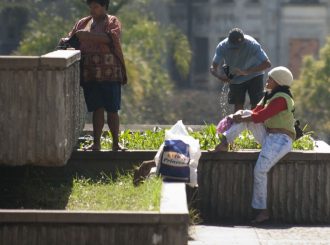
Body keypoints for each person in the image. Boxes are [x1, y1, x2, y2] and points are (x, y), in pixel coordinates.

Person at [210, 66, 296, 224]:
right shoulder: (269, 95)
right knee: (245, 113)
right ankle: (225, 142)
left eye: (271, 78)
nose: (267, 80)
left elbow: (263, 115)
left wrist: (242, 118)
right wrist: (239, 115)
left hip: (281, 139)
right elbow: (255, 112)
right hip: (269, 135)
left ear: (279, 82)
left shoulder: (282, 98)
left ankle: (262, 211)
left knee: (260, 171)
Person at [59, 0, 127, 151]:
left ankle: (116, 143)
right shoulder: (83, 23)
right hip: (91, 73)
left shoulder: (112, 21)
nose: (92, 10)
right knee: (97, 108)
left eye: (96, 6)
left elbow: (111, 38)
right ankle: (97, 144)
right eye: (91, 6)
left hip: (110, 72)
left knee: (112, 109)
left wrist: (88, 36)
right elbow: (73, 40)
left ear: (104, 7)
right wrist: (66, 41)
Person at [210, 28, 271, 112]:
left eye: (240, 46)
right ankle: (238, 124)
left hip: (254, 74)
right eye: (234, 48)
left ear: (244, 41)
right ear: (229, 43)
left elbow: (267, 63)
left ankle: (254, 124)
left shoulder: (252, 44)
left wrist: (247, 72)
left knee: (256, 104)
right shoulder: (222, 46)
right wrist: (220, 76)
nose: (238, 50)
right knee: (238, 104)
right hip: (235, 76)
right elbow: (213, 67)